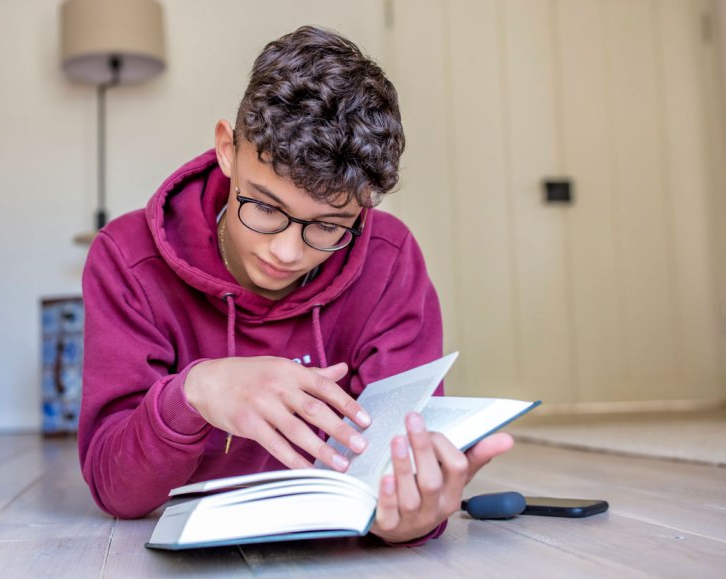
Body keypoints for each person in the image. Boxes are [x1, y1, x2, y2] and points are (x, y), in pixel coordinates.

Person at [79, 25, 513, 546]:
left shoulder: (389, 259)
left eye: (328, 226)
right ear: (227, 150)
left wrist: (414, 519)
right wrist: (194, 392)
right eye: (264, 206)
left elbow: (401, 471)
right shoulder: (126, 257)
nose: (287, 253)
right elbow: (115, 489)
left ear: (366, 203)